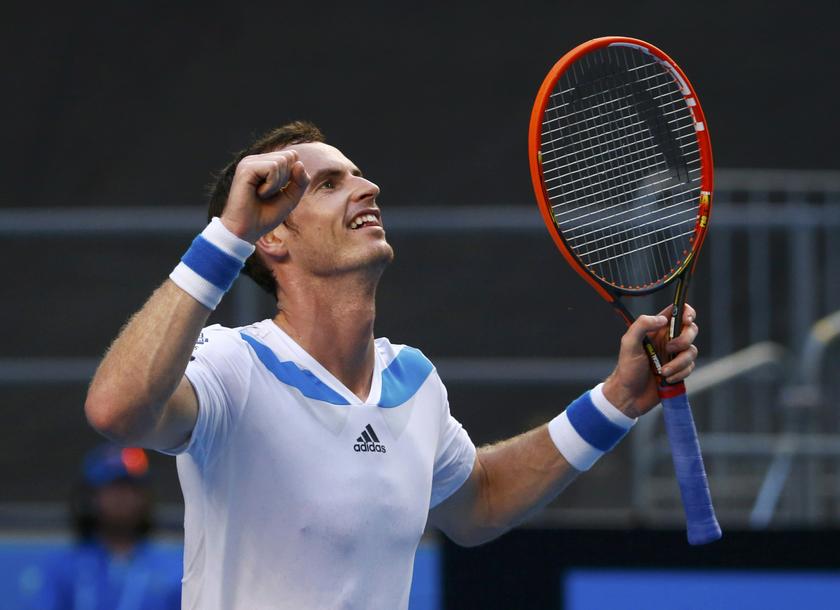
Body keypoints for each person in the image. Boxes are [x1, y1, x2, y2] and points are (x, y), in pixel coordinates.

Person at [85, 121, 699, 609]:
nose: (367, 187)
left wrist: (617, 398)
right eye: (328, 184)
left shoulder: (414, 381)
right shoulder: (231, 367)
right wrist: (229, 233)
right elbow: (116, 411)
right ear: (272, 237)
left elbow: (479, 500)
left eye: (358, 174)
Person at [32, 444, 181, 609]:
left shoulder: (173, 570)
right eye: (113, 488)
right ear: (90, 498)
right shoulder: (63, 567)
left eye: (132, 488)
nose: (122, 498)